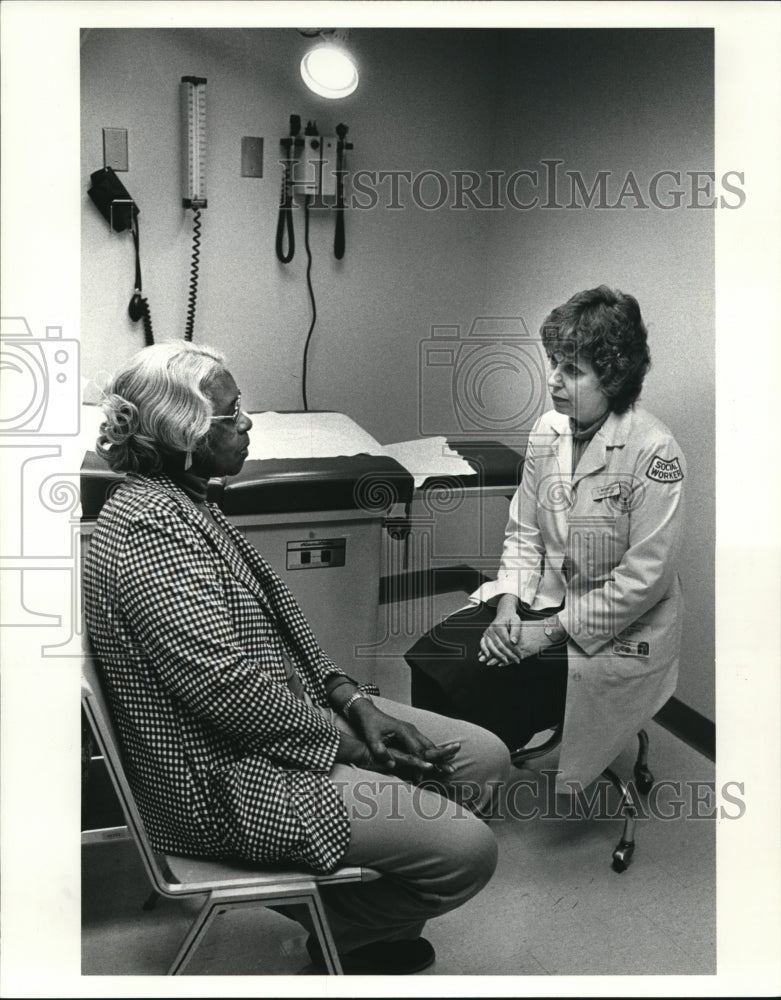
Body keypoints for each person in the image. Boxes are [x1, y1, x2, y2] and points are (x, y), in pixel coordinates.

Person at [83, 341, 510, 976]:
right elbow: (227, 690)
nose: (246, 423)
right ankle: (345, 928)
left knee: (485, 760)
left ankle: (360, 922)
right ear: (184, 436)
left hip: (269, 725)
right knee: (469, 853)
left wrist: (353, 700)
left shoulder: (187, 498)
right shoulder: (151, 529)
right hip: (218, 777)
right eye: (230, 416)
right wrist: (355, 747)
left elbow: (282, 622)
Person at [405, 285, 685, 792]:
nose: (553, 381)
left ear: (614, 378)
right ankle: (440, 781)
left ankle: (472, 782)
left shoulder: (654, 451)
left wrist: (546, 633)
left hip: (617, 625)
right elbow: (523, 533)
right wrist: (509, 608)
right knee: (436, 654)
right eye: (554, 363)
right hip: (542, 599)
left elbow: (644, 580)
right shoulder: (548, 430)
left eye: (572, 371)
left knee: (485, 676)